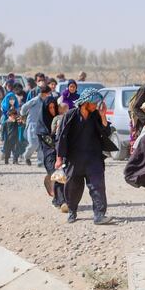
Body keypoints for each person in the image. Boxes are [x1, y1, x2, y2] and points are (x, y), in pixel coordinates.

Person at [55, 88, 113, 225]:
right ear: (86, 102)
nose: (95, 106)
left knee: (98, 186)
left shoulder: (95, 115)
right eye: (94, 103)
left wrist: (103, 115)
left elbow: (106, 130)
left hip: (94, 158)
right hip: (74, 159)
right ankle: (72, 212)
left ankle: (99, 215)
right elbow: (61, 137)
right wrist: (59, 158)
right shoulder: (70, 115)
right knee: (73, 188)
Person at [39, 86, 65, 211]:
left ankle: (58, 200)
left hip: (60, 153)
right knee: (57, 175)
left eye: (54, 107)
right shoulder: (42, 125)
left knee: (62, 177)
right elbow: (49, 142)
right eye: (49, 108)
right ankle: (61, 202)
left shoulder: (59, 120)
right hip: (50, 155)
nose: (52, 110)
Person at [20, 84, 49, 167]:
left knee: (41, 144)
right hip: (32, 124)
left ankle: (40, 162)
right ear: (43, 93)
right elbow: (24, 107)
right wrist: (23, 115)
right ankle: (26, 156)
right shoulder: (35, 100)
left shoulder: (47, 101)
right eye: (47, 93)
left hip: (42, 125)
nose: (48, 95)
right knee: (33, 144)